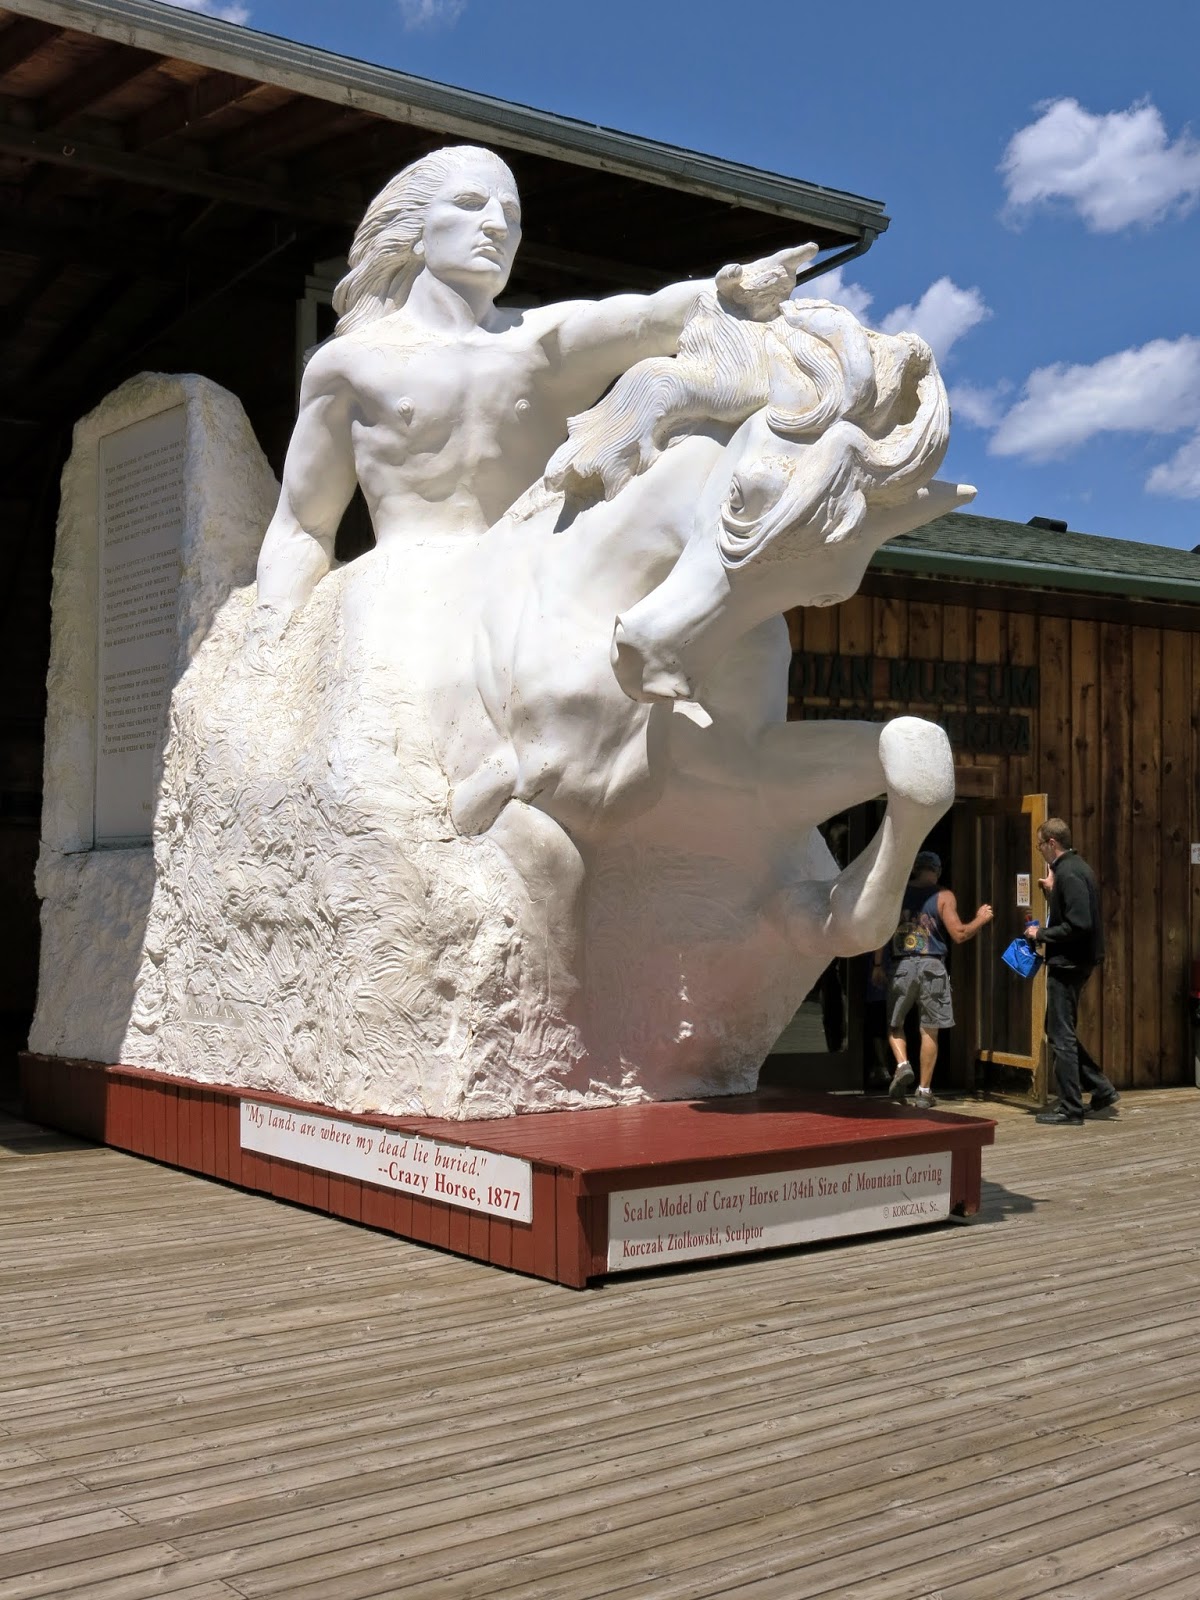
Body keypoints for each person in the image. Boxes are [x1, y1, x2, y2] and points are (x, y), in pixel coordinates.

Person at [254, 143, 817, 615]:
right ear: (416, 233)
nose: (497, 226)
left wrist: (725, 292)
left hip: (527, 600)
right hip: (400, 600)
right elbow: (303, 527)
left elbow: (647, 316)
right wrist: (271, 641)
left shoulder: (540, 343)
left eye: (511, 214)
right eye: (471, 205)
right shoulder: (353, 362)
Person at [872, 850, 993, 1109]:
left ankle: (903, 1064)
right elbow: (959, 934)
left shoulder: (897, 895)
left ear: (915, 869)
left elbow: (882, 931)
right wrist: (981, 919)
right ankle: (924, 1092)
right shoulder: (944, 896)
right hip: (933, 965)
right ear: (937, 871)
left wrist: (878, 964)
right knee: (930, 1030)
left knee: (895, 1024)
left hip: (901, 965)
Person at [1026, 817, 1119, 1126]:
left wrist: (1041, 936)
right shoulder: (1072, 870)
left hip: (1069, 963)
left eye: (1040, 845)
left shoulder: (1070, 873)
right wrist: (1053, 893)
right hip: (1074, 960)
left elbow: (1079, 924)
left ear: (1052, 844)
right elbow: (1072, 912)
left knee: (1060, 1034)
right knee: (1056, 1028)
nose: (1039, 851)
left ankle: (1071, 1107)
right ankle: (1101, 1088)